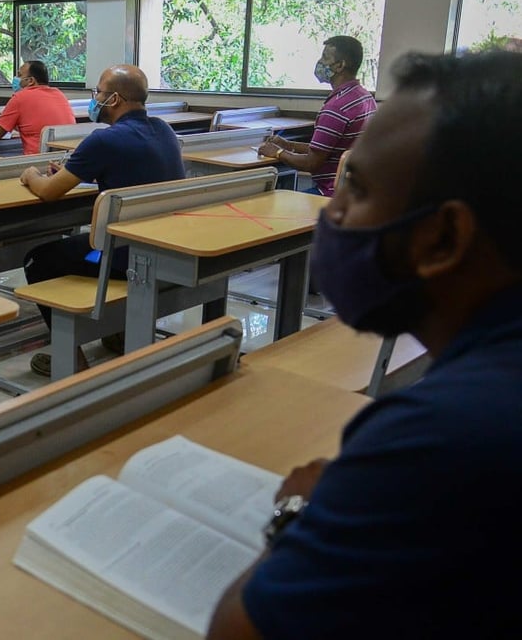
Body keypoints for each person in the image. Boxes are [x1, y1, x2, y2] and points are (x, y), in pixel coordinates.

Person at [207, 51, 522, 640]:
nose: (333, 211)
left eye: (355, 185)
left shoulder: (442, 436)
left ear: (444, 238)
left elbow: (237, 631)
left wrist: (298, 514)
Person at [19, 64, 185, 376]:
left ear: (116, 99)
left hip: (122, 258)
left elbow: (49, 192)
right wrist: (78, 173)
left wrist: (31, 175)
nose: (94, 98)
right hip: (165, 247)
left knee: (37, 259)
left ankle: (72, 361)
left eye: (98, 92)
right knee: (81, 247)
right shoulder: (163, 129)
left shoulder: (103, 140)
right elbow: (130, 173)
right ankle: (116, 332)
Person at [256, 35, 377, 196]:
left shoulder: (336, 108)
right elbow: (327, 150)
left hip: (330, 194)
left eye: (325, 57)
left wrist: (278, 153)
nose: (320, 62)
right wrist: (288, 145)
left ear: (340, 65)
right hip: (356, 191)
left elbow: (311, 163)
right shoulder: (365, 97)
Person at [0, 60, 75, 155]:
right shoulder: (59, 94)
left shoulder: (20, 98)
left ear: (31, 81)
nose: (15, 78)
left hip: (37, 162)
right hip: (66, 160)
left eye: (19, 75)